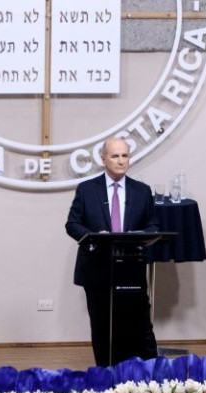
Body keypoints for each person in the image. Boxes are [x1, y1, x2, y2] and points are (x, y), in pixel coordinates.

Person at [65, 137, 159, 366]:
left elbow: (153, 226)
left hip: (131, 269)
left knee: (139, 325)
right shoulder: (87, 189)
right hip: (97, 270)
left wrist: (139, 237)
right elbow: (72, 224)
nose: (120, 161)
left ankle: (145, 377)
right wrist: (96, 236)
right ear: (103, 159)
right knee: (102, 326)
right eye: (115, 156)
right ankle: (106, 376)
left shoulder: (142, 191)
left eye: (125, 156)